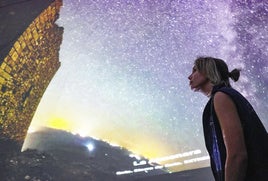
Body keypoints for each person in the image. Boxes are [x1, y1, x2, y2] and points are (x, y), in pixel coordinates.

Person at [188, 56, 268, 181]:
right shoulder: (226, 95)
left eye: (195, 70)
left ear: (208, 71)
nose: (190, 76)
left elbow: (237, 155)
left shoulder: (221, 97)